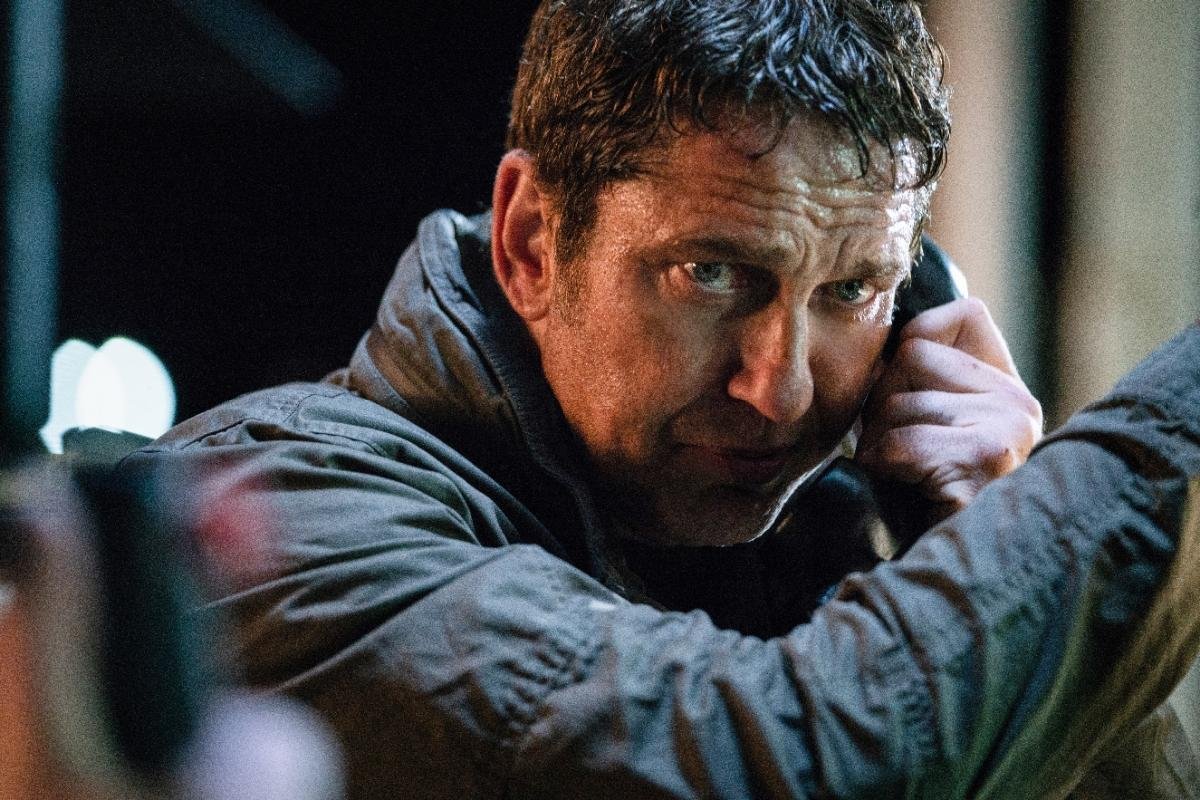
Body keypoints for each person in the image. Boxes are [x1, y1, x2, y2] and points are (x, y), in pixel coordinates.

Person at [126, 1, 1200, 797]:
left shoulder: (837, 541)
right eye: (712, 273)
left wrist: (983, 529)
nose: (779, 387)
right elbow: (773, 761)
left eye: (850, 290)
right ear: (532, 243)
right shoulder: (281, 510)